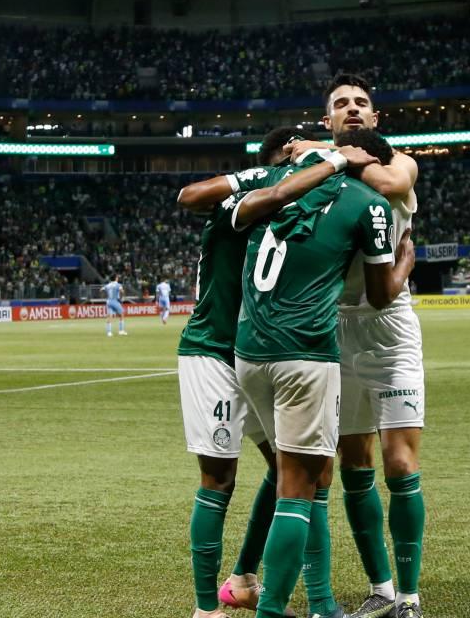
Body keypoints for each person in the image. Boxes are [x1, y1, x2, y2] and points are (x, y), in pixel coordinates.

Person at [175, 127, 380, 618]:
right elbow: (190, 195)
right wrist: (327, 165)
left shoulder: (288, 200)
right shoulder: (258, 193)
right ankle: (208, 610)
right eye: (304, 143)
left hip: (255, 350)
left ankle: (248, 579)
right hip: (215, 349)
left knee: (295, 473)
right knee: (219, 478)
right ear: (284, 157)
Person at [232, 133, 415, 618]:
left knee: (291, 476)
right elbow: (379, 295)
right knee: (301, 486)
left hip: (247, 349)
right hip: (307, 349)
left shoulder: (276, 188)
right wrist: (407, 261)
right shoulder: (367, 202)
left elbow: (199, 197)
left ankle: (267, 586)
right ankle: (288, 609)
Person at [289, 76, 429, 618]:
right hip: (336, 329)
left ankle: (411, 597)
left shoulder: (401, 160)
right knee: (355, 463)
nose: (351, 109)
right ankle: (382, 587)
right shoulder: (314, 170)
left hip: (392, 329)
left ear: (375, 117)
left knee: (399, 462)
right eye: (340, 105)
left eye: (360, 103)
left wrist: (332, 154)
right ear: (327, 118)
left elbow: (393, 183)